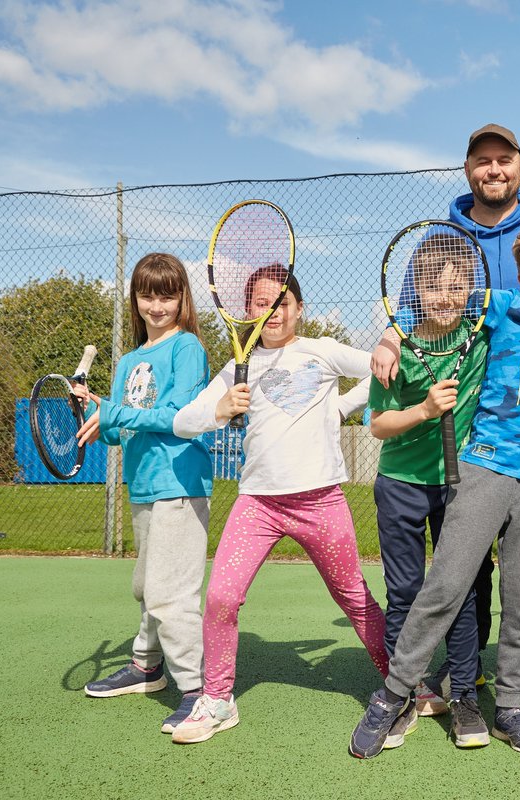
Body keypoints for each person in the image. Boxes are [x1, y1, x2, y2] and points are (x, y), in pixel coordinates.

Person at [374, 123, 520, 707]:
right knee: (464, 563)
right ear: (468, 169)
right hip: (474, 424)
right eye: (482, 161)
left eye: (504, 159)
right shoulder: (443, 235)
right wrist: (391, 340)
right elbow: (416, 305)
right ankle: (465, 671)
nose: (493, 169)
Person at [349, 220, 520, 758]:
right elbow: (434, 303)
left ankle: (510, 706)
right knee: (445, 586)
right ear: (519, 276)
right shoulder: (496, 309)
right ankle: (393, 694)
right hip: (485, 469)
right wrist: (389, 335)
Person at [168, 266, 388, 744]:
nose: (271, 313)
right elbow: (184, 422)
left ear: (299, 309)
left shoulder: (321, 351)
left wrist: (344, 406)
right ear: (246, 310)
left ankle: (402, 683)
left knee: (353, 598)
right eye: (261, 304)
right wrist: (219, 409)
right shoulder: (235, 369)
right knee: (221, 598)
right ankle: (218, 700)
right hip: (258, 506)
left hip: (320, 500)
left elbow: (381, 366)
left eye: (282, 303)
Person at [77, 252, 213, 735]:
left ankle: (199, 692)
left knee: (170, 592)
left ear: (182, 299)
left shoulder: (187, 349)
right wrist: (98, 416)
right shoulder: (131, 361)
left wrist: (116, 413)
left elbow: (178, 417)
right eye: (147, 295)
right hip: (144, 487)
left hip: (180, 483)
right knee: (145, 585)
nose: (156, 305)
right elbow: (120, 434)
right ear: (135, 299)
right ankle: (146, 665)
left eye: (167, 295)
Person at [368, 233, 490, 749]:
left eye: (456, 286)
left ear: (471, 290)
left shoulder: (481, 337)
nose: (445, 296)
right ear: (414, 288)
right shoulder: (395, 348)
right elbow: (377, 425)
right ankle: (408, 692)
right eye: (433, 285)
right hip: (400, 486)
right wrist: (422, 411)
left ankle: (463, 694)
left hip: (457, 487)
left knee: (457, 594)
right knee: (404, 594)